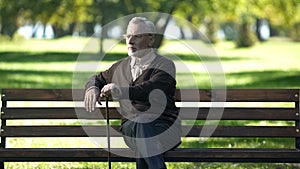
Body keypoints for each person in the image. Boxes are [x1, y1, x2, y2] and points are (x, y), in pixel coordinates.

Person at [84, 17, 181, 169]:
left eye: (137, 36)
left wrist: (119, 91)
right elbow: (96, 79)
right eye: (128, 36)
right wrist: (92, 88)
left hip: (164, 129)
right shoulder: (119, 67)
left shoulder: (165, 65)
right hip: (131, 129)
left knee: (142, 132)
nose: (130, 41)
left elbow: (150, 89)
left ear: (150, 39)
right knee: (140, 125)